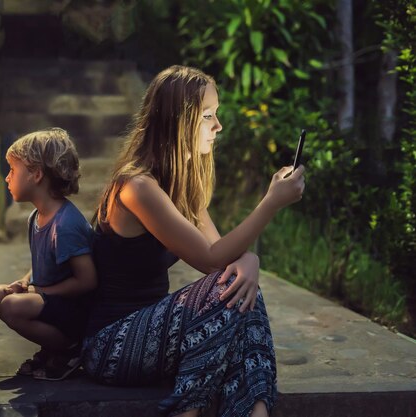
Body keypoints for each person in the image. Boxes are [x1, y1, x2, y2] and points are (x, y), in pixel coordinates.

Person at [82, 66, 305, 417]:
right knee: (228, 290)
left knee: (242, 298)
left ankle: (255, 411)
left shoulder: (183, 187)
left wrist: (250, 261)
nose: (218, 126)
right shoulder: (138, 186)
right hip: (112, 344)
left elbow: (226, 258)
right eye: (208, 116)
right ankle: (188, 410)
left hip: (159, 345)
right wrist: (271, 202)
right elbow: (214, 260)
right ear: (177, 121)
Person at [0, 128, 97, 381]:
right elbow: (44, 260)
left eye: (13, 171)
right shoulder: (36, 217)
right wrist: (26, 281)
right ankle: (51, 348)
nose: (7, 178)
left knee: (14, 307)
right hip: (50, 298)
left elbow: (87, 280)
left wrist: (42, 291)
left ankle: (69, 349)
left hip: (73, 311)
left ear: (36, 175)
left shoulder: (66, 225)